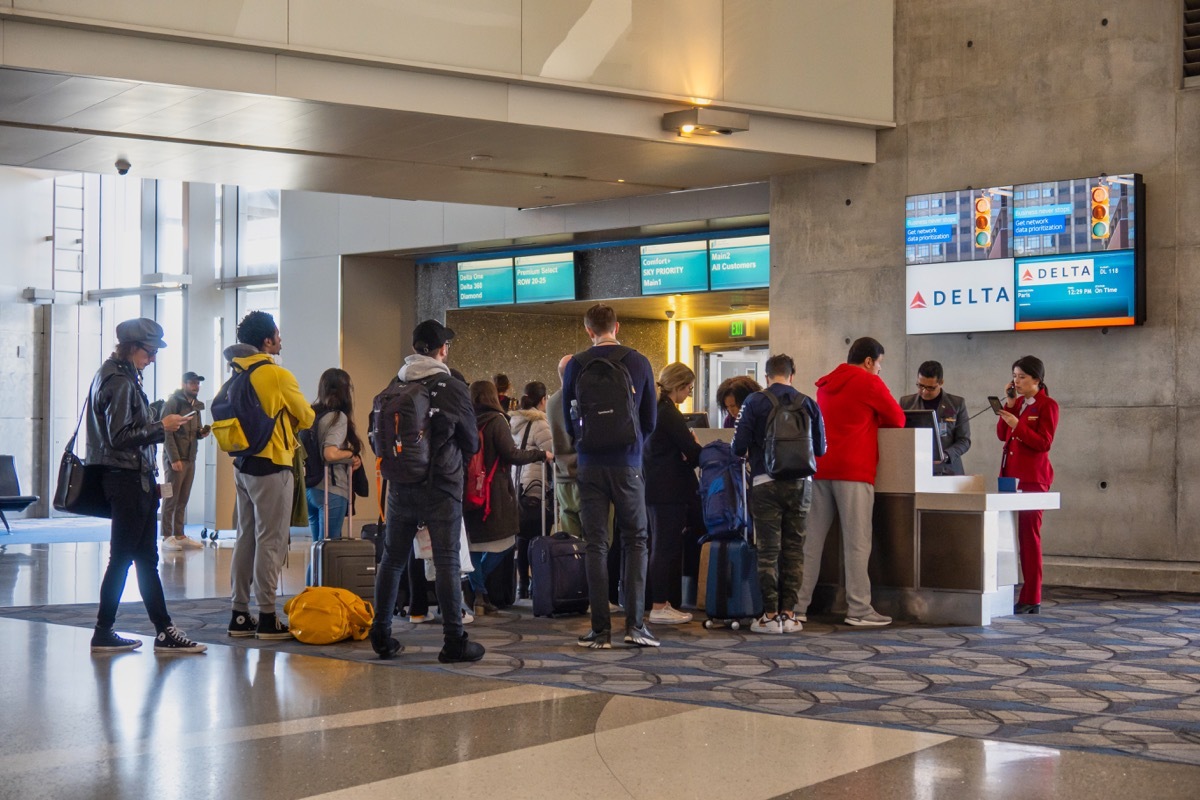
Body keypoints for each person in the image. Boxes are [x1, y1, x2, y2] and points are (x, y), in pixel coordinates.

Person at [87, 318, 206, 654]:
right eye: (149, 352)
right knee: (125, 558)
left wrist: (155, 422)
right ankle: (106, 630)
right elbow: (121, 436)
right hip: (127, 480)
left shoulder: (111, 375)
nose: (152, 358)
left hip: (128, 479)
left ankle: (161, 629)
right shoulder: (121, 381)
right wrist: (162, 427)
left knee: (142, 558)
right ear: (131, 348)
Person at [370, 320, 484, 662]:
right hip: (442, 484)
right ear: (442, 350)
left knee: (391, 559)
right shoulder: (450, 385)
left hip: (401, 484)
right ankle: (454, 641)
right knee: (447, 559)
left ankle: (381, 633)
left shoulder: (396, 382)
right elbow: (472, 440)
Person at [562, 303, 659, 649]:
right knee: (636, 540)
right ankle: (635, 626)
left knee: (595, 544)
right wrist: (630, 447)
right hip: (627, 465)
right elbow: (650, 419)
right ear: (616, 327)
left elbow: (567, 418)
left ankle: (600, 630)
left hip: (589, 465)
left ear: (589, 330)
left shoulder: (575, 364)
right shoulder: (638, 361)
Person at [795, 337, 906, 627]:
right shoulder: (869, 383)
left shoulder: (826, 385)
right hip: (855, 472)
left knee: (811, 542)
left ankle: (797, 606)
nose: (879, 370)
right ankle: (858, 609)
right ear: (869, 361)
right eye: (879, 364)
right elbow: (898, 419)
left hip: (820, 468)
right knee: (857, 543)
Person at [224, 311, 315, 641]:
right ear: (267, 341)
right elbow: (306, 416)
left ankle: (239, 614)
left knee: (246, 538)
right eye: (277, 335)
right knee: (272, 542)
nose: (281, 340)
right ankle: (266, 617)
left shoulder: (236, 371)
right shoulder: (275, 375)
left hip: (243, 465)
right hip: (272, 465)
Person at [732, 354, 826, 634]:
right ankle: (790, 615)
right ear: (792, 375)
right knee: (795, 550)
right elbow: (820, 450)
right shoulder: (808, 403)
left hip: (765, 482)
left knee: (769, 551)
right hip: (802, 485)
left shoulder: (754, 402)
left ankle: (770, 616)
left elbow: (738, 447)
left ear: (766, 376)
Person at [465, 380, 550, 613]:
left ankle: (477, 591)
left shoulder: (468, 419)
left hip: (470, 491)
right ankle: (479, 590)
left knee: (473, 546)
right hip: (495, 493)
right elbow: (511, 454)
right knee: (507, 543)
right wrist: (540, 454)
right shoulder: (497, 420)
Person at [997, 355, 1059, 614]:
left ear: (1037, 379)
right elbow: (1002, 434)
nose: (1017, 381)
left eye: (1022, 377)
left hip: (1034, 479)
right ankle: (1005, 591)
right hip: (1010, 477)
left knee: (1029, 536)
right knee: (1007, 536)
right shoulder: (1018, 403)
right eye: (1014, 376)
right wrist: (1010, 406)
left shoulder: (1048, 405)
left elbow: (1044, 443)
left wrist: (1017, 425)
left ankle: (1032, 596)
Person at [643, 362, 702, 625]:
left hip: (653, 487)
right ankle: (660, 604)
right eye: (688, 388)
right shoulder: (670, 414)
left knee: (658, 546)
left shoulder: (653, 410)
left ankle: (659, 603)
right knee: (665, 548)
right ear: (677, 387)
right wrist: (694, 446)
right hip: (670, 490)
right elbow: (693, 452)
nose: (688, 394)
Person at [305, 368, 363, 546]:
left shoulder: (311, 415)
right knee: (329, 550)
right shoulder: (338, 417)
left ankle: (313, 576)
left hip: (311, 489)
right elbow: (330, 453)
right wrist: (350, 454)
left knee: (317, 550)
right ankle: (327, 576)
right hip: (332, 490)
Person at [509, 380, 555, 599]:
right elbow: (552, 453)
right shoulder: (540, 424)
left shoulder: (513, 422)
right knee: (537, 536)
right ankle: (537, 583)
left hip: (516, 486)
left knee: (522, 537)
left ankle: (522, 584)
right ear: (543, 399)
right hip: (535, 487)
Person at [160, 370, 209, 550]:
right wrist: (174, 458)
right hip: (175, 459)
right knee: (170, 498)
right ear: (184, 384)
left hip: (190, 457)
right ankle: (166, 536)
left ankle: (179, 535)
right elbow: (166, 431)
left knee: (183, 498)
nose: (196, 386)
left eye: (197, 383)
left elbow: (195, 432)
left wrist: (202, 433)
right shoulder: (173, 403)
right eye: (192, 383)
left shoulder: (195, 406)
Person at [898, 360, 971, 475]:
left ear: (941, 382)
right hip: (916, 470)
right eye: (920, 386)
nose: (924, 391)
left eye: (930, 388)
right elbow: (899, 436)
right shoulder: (906, 403)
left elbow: (964, 441)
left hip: (948, 470)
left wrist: (946, 455)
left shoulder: (957, 404)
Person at [546, 356, 583, 538]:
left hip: (562, 476)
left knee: (572, 542)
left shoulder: (551, 402)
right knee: (598, 542)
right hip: (585, 479)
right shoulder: (580, 401)